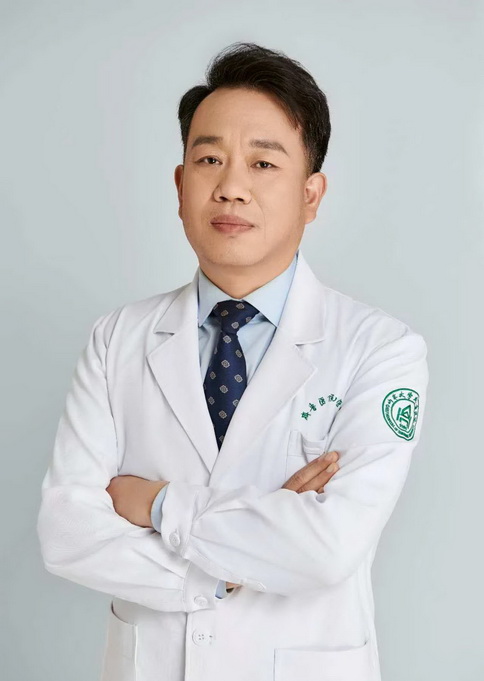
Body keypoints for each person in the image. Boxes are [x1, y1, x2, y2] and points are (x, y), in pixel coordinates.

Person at [37, 41, 429, 681]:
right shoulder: (117, 339)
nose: (231, 188)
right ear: (180, 185)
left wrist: (156, 505)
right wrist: (227, 571)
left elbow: (328, 548)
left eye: (263, 163)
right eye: (209, 159)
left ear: (311, 194)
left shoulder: (380, 349)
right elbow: (67, 534)